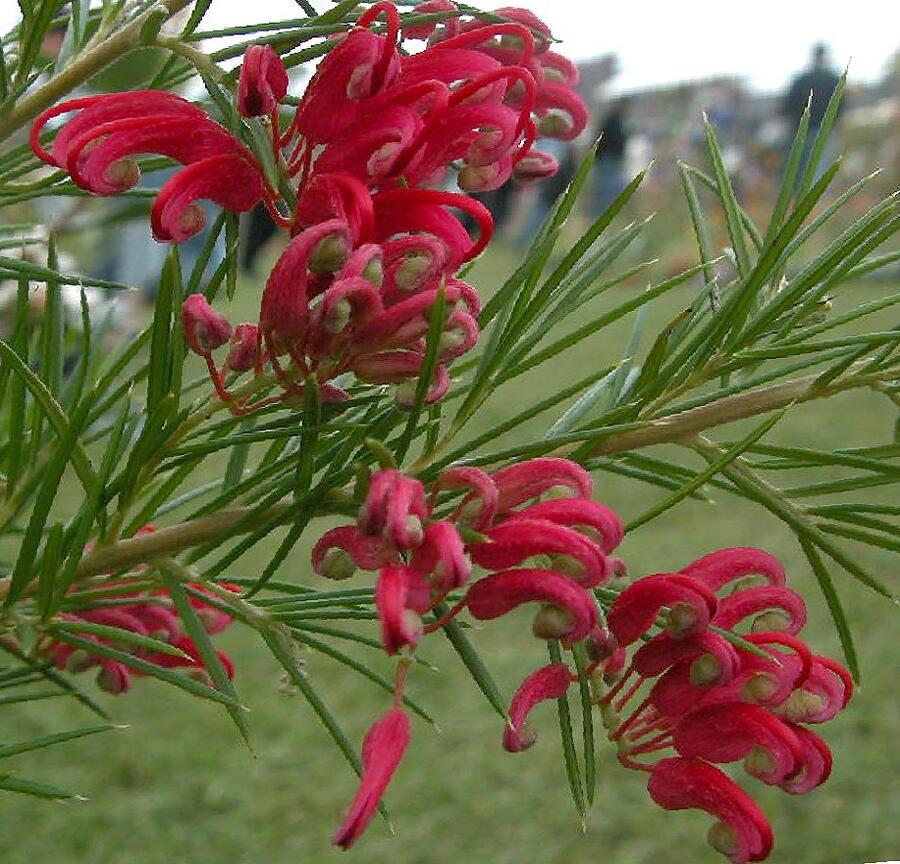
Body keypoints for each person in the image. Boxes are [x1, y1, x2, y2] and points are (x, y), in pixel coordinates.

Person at [780, 43, 844, 185]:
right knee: (818, 163)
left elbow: (788, 105)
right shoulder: (832, 79)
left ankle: (800, 194)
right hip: (821, 129)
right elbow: (841, 104)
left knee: (800, 164)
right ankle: (813, 196)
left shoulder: (802, 79)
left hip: (802, 129)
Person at [592, 96, 631, 215]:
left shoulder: (615, 121)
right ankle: (600, 212)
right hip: (608, 160)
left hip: (610, 160)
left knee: (609, 187)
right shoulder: (612, 122)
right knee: (606, 188)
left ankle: (602, 211)